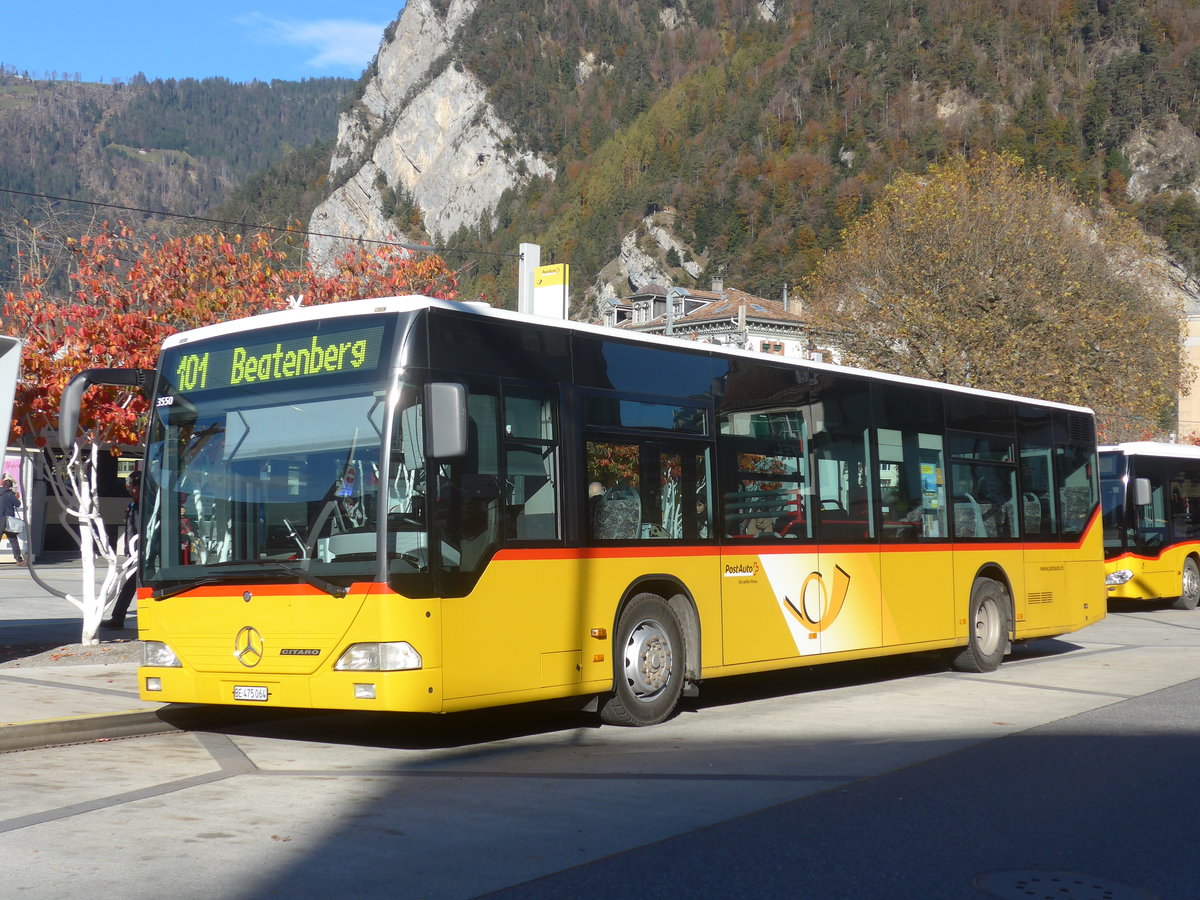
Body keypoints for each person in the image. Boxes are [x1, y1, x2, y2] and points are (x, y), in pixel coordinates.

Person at [102, 470, 141, 629]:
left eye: (130, 485)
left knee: (128, 585)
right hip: (135, 552)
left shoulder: (142, 504)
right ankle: (117, 618)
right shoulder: (135, 503)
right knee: (129, 585)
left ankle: (117, 618)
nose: (128, 488)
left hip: (140, 553)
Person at [0, 477, 25, 565]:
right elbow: (18, 504)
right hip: (7, 522)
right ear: (10, 487)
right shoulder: (9, 494)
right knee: (13, 540)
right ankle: (19, 560)